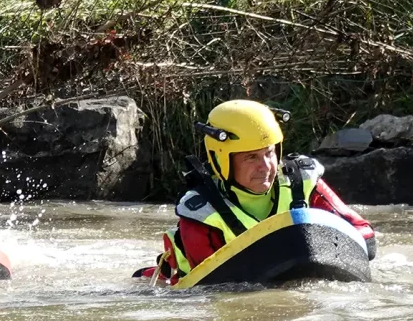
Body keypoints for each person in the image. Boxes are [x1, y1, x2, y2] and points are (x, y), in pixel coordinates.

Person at [141, 99, 377, 282]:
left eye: (269, 153)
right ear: (222, 160)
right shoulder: (201, 212)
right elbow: (210, 290)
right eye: (251, 157)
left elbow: (364, 236)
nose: (265, 167)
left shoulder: (302, 182)